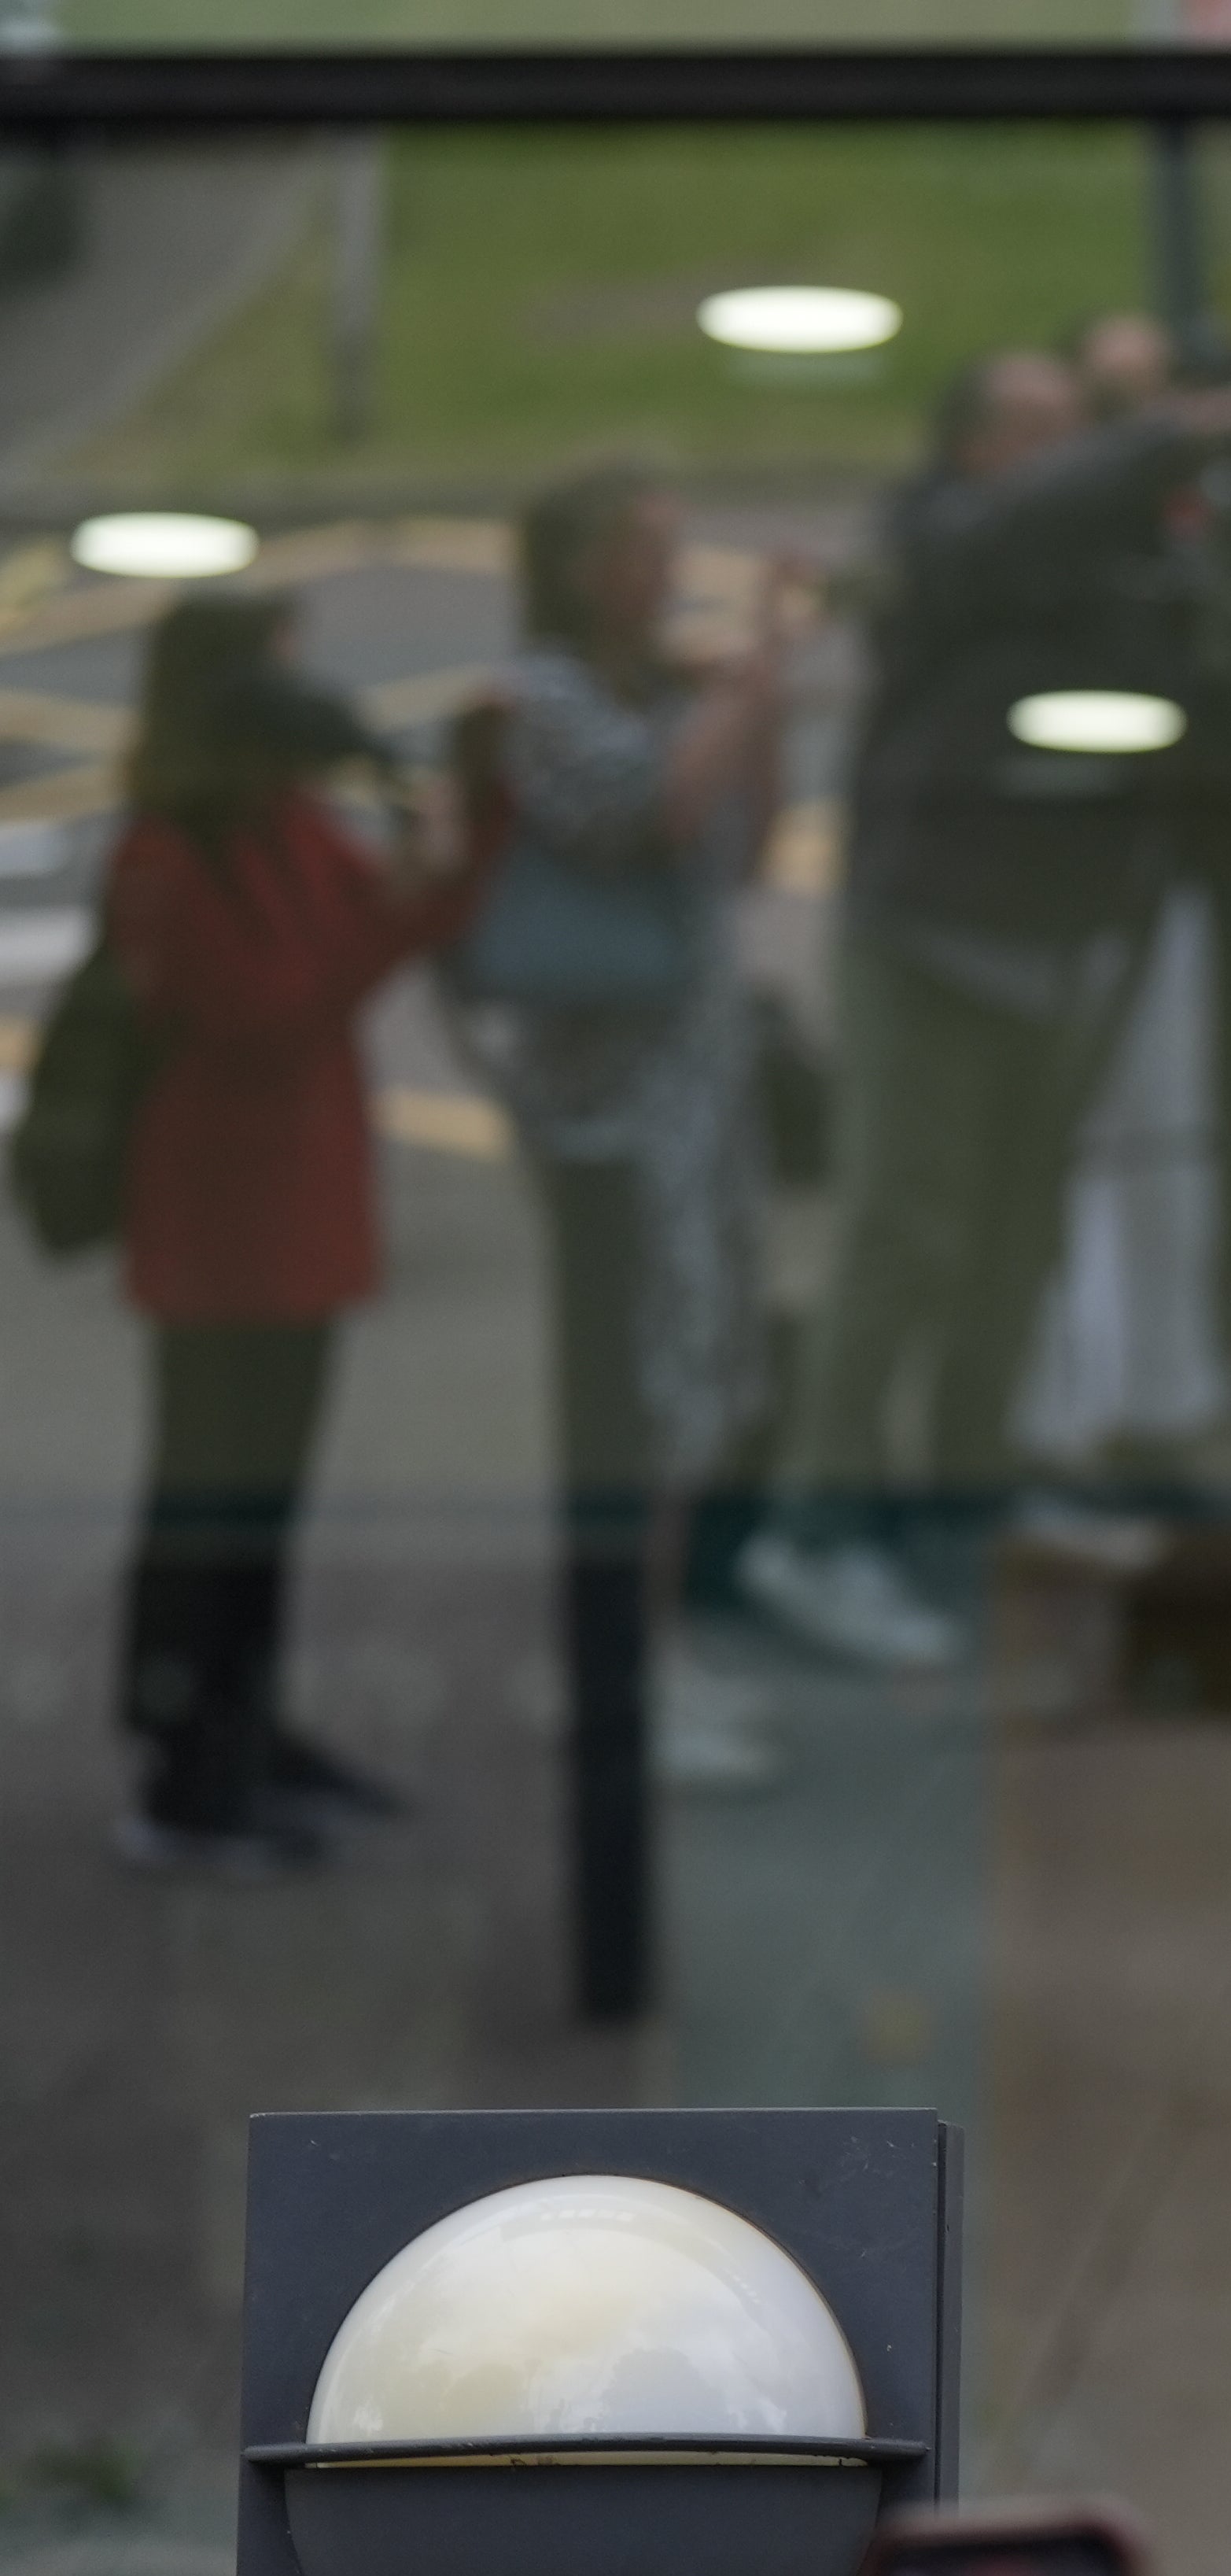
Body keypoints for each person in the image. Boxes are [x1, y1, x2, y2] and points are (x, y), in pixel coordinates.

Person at [739, 345, 1231, 1669]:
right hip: (930, 939)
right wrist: (1175, 436)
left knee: (1013, 1240)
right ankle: (816, 1525)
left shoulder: (1100, 556)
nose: (1070, 453)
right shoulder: (941, 538)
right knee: (905, 1231)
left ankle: (967, 1498)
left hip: (1058, 939)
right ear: (972, 446)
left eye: (1079, 430)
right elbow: (1002, 534)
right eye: (1039, 429)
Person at [106, 591, 483, 1873]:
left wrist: (448, 844)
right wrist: (396, 907)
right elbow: (268, 1012)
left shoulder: (283, 826)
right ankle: (183, 1763)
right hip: (221, 1224)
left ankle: (249, 1726)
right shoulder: (168, 853)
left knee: (264, 1500)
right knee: (210, 1495)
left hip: (298, 1209)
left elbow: (400, 919)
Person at [451, 463, 795, 1837]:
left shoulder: (665, 693)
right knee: (638, 1375)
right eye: (646, 548)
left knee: (701, 1356)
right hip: (606, 1094)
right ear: (580, 565)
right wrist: (740, 694)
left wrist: (745, 719)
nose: (669, 572)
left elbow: (742, 846)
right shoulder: (534, 703)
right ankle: (624, 1671)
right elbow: (639, 814)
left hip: (694, 1076)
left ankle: (664, 1646)